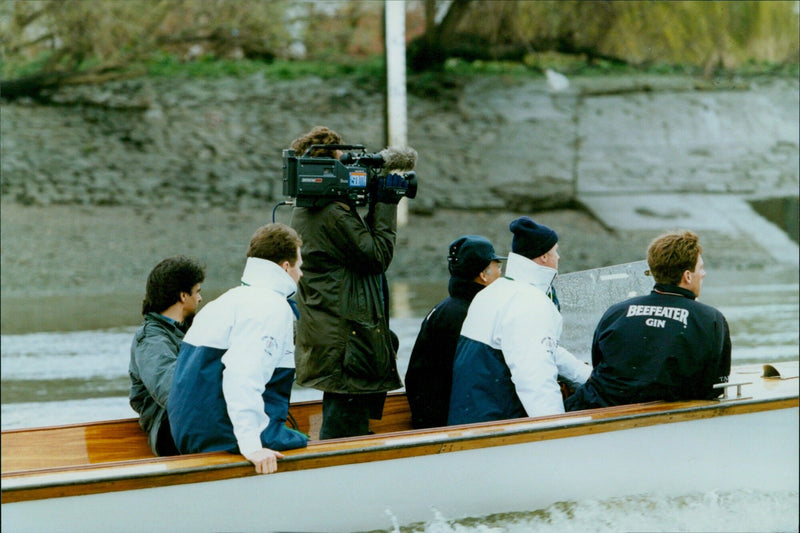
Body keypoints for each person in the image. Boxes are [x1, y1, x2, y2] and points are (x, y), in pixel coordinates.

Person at [289, 125, 404, 439]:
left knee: (345, 409)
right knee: (344, 427)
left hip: (333, 331)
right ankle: (338, 473)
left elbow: (357, 253)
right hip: (346, 339)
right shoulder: (332, 213)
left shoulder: (312, 206)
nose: (348, 173)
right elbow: (377, 255)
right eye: (342, 164)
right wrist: (387, 203)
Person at [168, 223, 308, 474]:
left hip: (188, 432)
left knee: (294, 434)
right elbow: (242, 376)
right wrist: (252, 446)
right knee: (303, 442)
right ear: (285, 267)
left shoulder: (228, 300)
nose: (301, 274)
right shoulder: (270, 307)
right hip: (221, 435)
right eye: (299, 266)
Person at [565, 230, 731, 411]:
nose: (704, 274)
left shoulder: (616, 312)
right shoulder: (710, 319)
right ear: (687, 276)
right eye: (701, 268)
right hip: (666, 419)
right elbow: (714, 386)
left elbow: (598, 364)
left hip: (597, 408)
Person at [448, 216, 591, 425]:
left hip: (468, 419)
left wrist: (586, 375)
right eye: (555, 251)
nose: (558, 257)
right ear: (544, 257)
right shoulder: (530, 302)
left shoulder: (496, 291)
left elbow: (544, 349)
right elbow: (535, 378)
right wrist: (558, 429)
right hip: (494, 430)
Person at [405, 235, 505, 429]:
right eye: (498, 267)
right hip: (443, 422)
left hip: (428, 413)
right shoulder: (469, 314)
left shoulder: (448, 307)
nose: (501, 274)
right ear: (483, 275)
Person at [129, 255, 205, 456]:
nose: (200, 298)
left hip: (194, 424)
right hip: (169, 432)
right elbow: (175, 395)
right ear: (183, 296)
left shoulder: (194, 331)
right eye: (197, 292)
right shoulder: (150, 341)